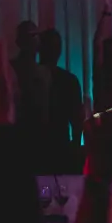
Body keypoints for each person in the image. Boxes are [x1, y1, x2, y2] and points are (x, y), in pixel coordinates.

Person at [39, 28, 84, 173]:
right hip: (57, 146)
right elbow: (77, 119)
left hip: (42, 146)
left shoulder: (30, 77)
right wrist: (75, 146)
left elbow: (77, 118)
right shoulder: (69, 80)